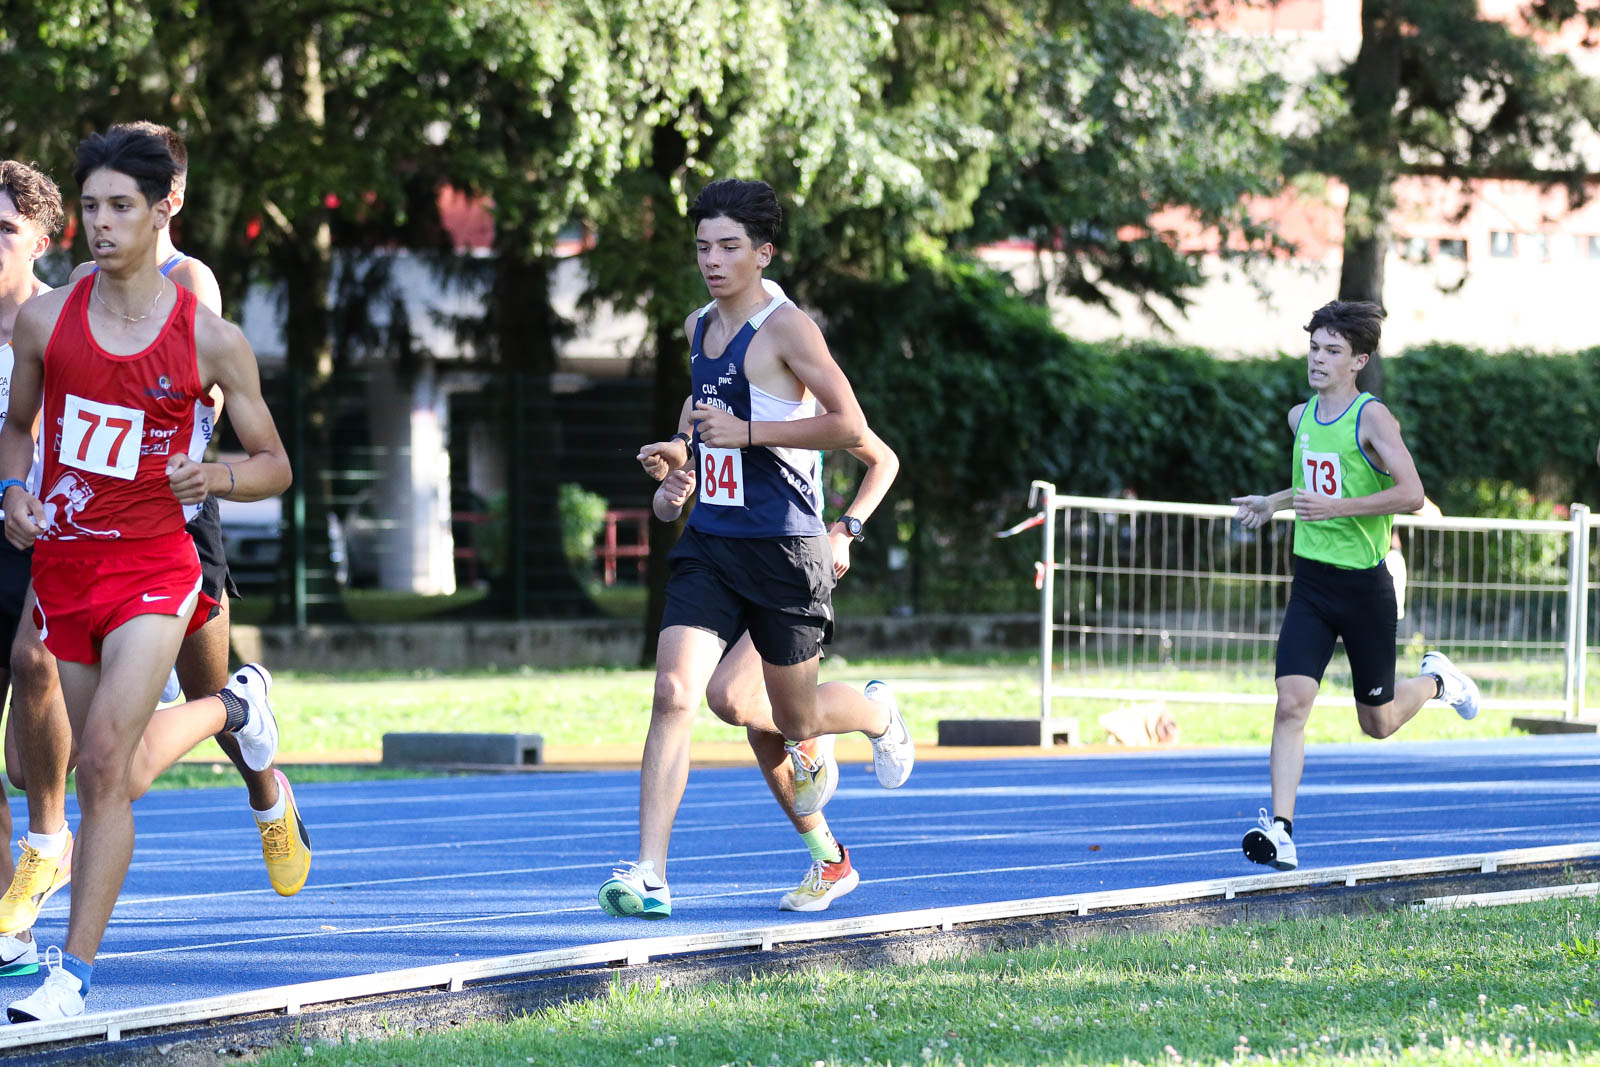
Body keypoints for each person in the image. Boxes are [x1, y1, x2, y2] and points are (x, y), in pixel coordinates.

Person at [0, 126, 291, 1021]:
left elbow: (275, 463)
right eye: (91, 206)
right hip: (67, 566)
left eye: (120, 206)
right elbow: (18, 428)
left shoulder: (209, 337)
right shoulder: (46, 321)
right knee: (111, 777)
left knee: (99, 763)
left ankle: (71, 977)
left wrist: (216, 477)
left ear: (163, 208)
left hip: (155, 567)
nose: (101, 223)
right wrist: (14, 490)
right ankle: (235, 707)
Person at [598, 179, 914, 920]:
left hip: (785, 552)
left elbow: (851, 427)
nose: (712, 260)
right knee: (677, 692)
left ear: (763, 252)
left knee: (781, 717)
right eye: (702, 247)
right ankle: (650, 875)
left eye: (729, 247)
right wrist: (675, 471)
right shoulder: (696, 327)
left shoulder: (788, 329)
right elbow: (700, 434)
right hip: (713, 545)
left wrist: (840, 522)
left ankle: (872, 712)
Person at [1230, 300, 1479, 872]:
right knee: (1291, 702)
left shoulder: (1373, 419)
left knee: (1378, 722)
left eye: (1332, 351)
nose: (1318, 359)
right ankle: (1282, 831)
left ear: (1358, 361)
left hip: (1365, 588)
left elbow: (1411, 494)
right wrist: (1273, 502)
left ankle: (1438, 682)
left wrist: (1340, 509)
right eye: (1314, 347)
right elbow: (1315, 485)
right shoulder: (1300, 417)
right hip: (1311, 584)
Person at [644, 391, 899, 911]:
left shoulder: (794, 396)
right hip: (716, 565)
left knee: (743, 703)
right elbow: (672, 499)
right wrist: (670, 491)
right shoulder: (699, 398)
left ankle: (874, 715)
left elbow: (883, 459)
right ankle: (829, 858)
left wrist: (846, 530)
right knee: (749, 717)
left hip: (783, 568)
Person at [0, 160, 64, 979]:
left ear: (42, 241)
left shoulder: (64, 321)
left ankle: (48, 838)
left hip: (59, 541)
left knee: (28, 756)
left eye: (6, 229)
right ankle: (8, 938)